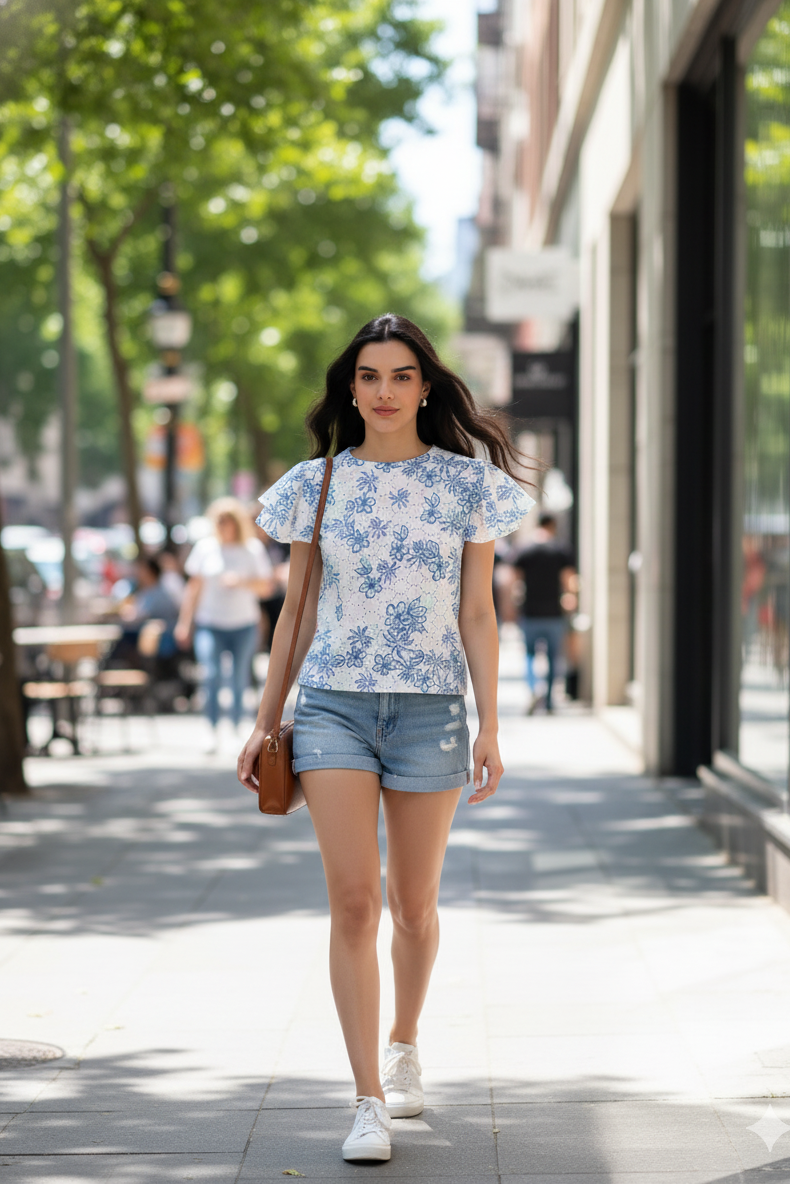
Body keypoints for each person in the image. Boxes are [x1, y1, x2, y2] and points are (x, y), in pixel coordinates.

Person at [237, 314, 534, 1164]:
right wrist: (267, 721)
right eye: (370, 376)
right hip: (332, 706)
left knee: (413, 904)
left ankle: (404, 1042)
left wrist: (491, 722)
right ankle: (367, 1096)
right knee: (354, 903)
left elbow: (478, 614)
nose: (386, 391)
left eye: (402, 376)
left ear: (426, 387)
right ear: (351, 388)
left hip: (431, 708)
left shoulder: (466, 486)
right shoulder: (315, 484)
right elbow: (294, 613)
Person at [175, 499, 274, 750]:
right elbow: (193, 589)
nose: (221, 525)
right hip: (210, 623)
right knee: (210, 675)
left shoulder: (251, 549)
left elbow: (266, 588)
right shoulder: (204, 548)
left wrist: (241, 582)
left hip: (243, 624)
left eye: (226, 520)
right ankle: (211, 728)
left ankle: (238, 725)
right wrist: (184, 623)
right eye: (218, 521)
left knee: (240, 675)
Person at [510, 512, 576, 713]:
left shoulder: (525, 550)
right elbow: (569, 580)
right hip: (554, 613)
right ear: (552, 526)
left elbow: (513, 581)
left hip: (530, 611)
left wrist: (511, 607)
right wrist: (572, 599)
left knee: (530, 654)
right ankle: (548, 701)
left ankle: (532, 690)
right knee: (552, 657)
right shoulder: (560, 550)